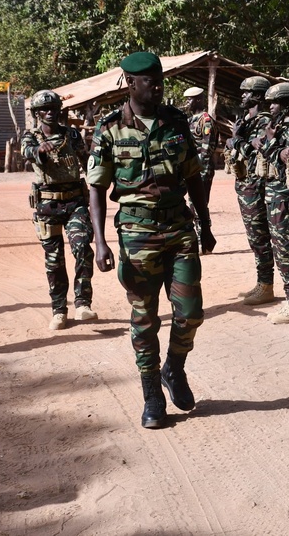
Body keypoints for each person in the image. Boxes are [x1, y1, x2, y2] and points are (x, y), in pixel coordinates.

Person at [87, 51, 216, 429]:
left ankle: (173, 369)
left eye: (160, 80)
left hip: (179, 228)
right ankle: (151, 394)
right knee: (145, 317)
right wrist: (99, 241)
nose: (158, 87)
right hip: (136, 233)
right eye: (150, 81)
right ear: (131, 83)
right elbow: (96, 187)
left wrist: (205, 223)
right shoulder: (110, 128)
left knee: (190, 312)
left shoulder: (176, 121)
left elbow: (193, 175)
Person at [21, 89, 97, 331]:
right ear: (36, 113)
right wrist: (38, 151)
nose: (49, 113)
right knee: (54, 261)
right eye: (44, 109)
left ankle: (83, 303)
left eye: (54, 109)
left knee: (82, 247)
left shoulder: (72, 135)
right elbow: (28, 152)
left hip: (75, 202)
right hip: (47, 206)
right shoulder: (30, 136)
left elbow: (88, 161)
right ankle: (59, 310)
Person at [257, 82, 289, 324]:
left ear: (287, 103)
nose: (271, 106)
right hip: (275, 193)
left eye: (275, 102)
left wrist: (268, 142)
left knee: (286, 247)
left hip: (284, 195)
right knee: (280, 246)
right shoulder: (280, 125)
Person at [225, 76, 275, 305]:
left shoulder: (265, 120)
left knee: (260, 236)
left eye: (246, 93)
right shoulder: (246, 119)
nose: (242, 96)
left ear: (257, 96)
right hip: (246, 185)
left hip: (257, 186)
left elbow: (255, 148)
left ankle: (266, 285)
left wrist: (235, 140)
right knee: (255, 237)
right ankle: (262, 282)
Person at [183, 87, 219, 252]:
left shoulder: (206, 120)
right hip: (192, 169)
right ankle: (199, 239)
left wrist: (198, 169)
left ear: (198, 99)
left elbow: (207, 148)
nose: (187, 103)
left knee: (200, 205)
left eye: (190, 100)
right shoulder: (191, 120)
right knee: (192, 205)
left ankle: (205, 240)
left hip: (201, 169)